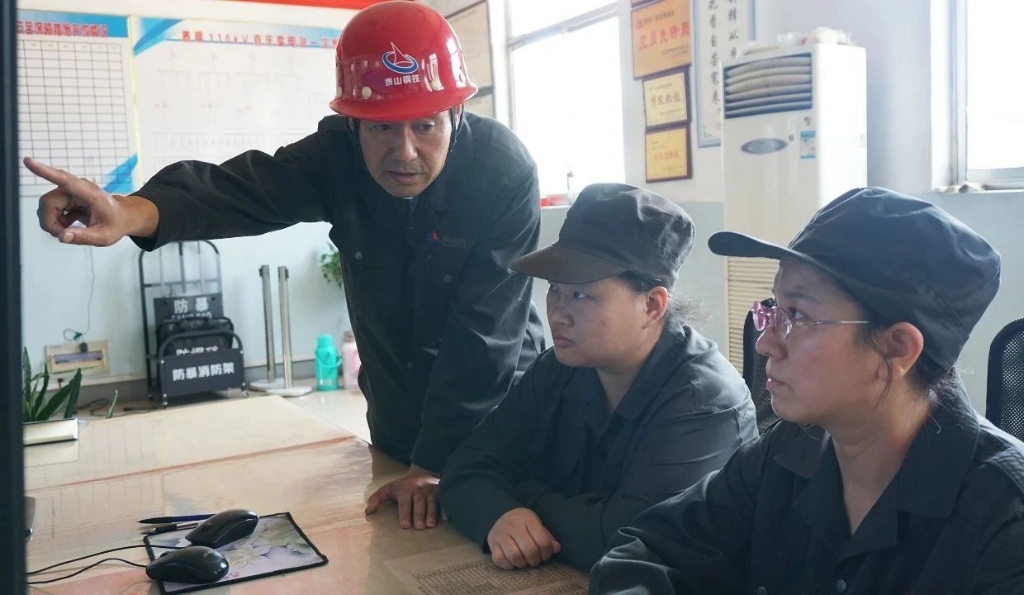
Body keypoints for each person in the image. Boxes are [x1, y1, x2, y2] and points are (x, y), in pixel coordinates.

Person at [25, 1, 544, 532]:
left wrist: (433, 463)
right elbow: (242, 190)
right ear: (353, 123)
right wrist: (129, 211)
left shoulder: (501, 172)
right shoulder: (337, 157)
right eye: (381, 128)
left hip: (496, 411)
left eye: (426, 126)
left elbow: (484, 335)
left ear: (457, 113)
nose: (405, 152)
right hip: (397, 412)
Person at [589, 187, 1024, 594]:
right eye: (773, 308)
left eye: (797, 314)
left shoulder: (1003, 515)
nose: (765, 343)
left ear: (896, 348)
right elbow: (646, 551)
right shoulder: (789, 451)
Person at [439, 183, 758, 572]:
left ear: (652, 305)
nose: (557, 314)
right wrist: (499, 512)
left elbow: (627, 540)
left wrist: (524, 495)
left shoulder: (703, 401)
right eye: (555, 291)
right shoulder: (559, 367)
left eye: (581, 296)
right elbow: (467, 464)